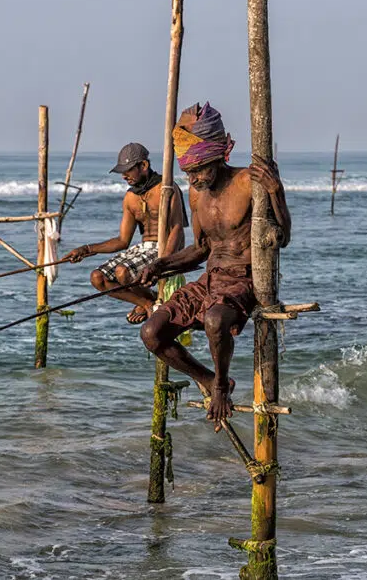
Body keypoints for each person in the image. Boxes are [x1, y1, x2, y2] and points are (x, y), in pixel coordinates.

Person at [139, 102, 290, 425]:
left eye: (199, 170)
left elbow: (283, 236)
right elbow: (200, 250)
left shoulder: (248, 182)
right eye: (189, 173)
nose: (193, 179)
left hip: (244, 280)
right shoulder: (196, 195)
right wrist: (160, 265)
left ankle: (221, 384)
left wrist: (276, 191)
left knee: (214, 320)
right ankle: (208, 378)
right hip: (210, 279)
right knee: (152, 332)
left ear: (220, 155)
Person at [64, 143, 186, 324]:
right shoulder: (130, 198)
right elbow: (122, 241)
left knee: (122, 272)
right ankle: (147, 302)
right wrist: (86, 249)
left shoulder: (166, 188)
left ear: (143, 166)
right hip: (143, 248)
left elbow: (177, 228)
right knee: (97, 278)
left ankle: (146, 303)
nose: (124, 176)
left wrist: (164, 260)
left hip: (166, 247)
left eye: (128, 170)